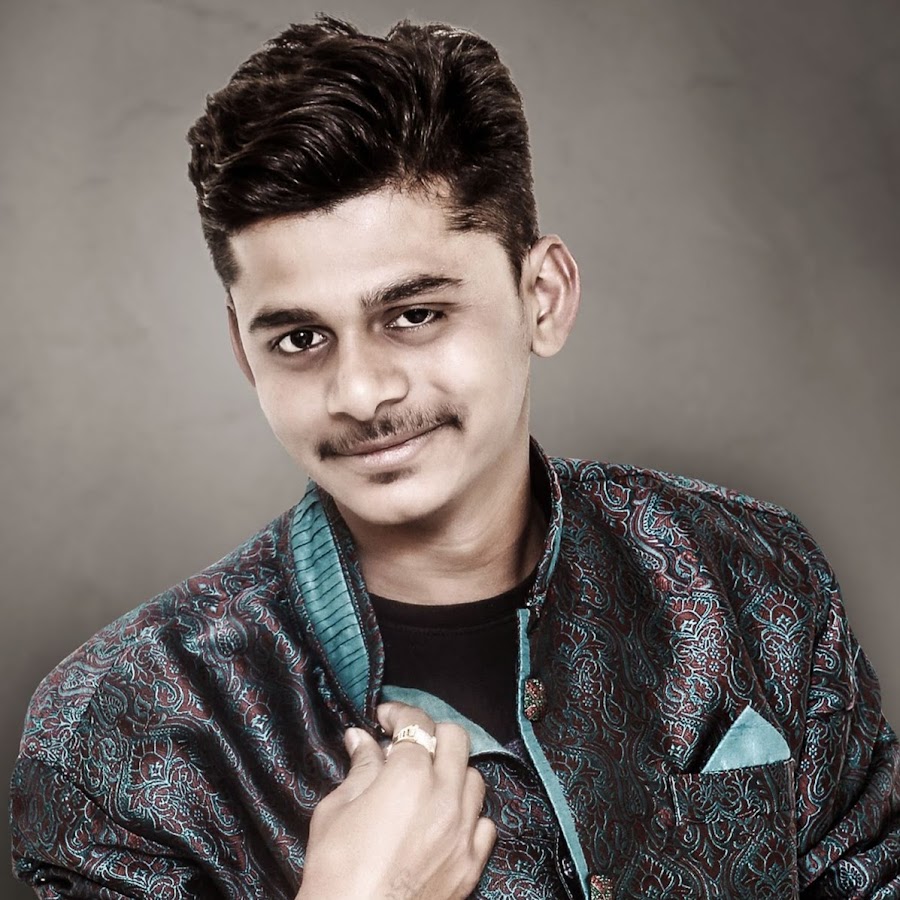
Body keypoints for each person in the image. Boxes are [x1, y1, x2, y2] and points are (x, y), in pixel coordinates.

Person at [9, 14, 900, 900]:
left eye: (414, 315)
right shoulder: (122, 730)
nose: (361, 392)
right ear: (245, 354)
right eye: (300, 338)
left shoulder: (751, 578)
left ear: (542, 297)